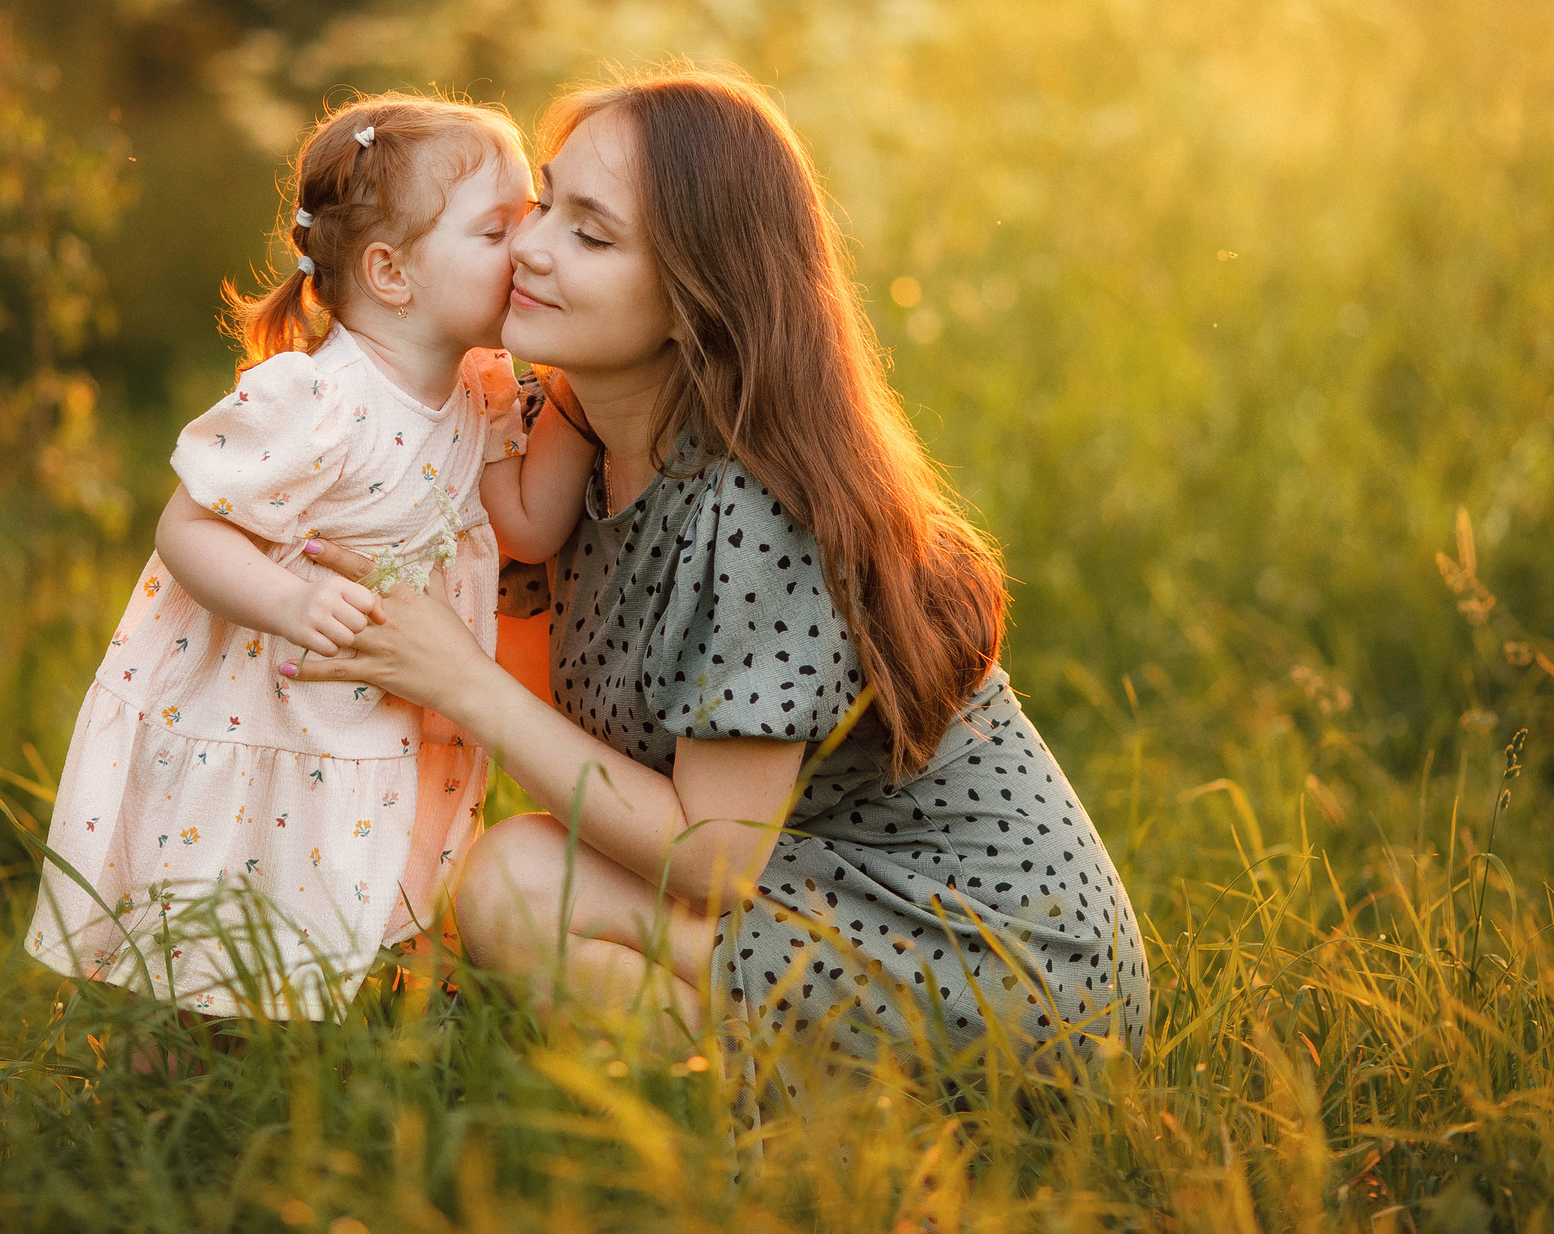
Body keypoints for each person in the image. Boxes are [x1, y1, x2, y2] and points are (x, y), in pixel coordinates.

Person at [290, 71, 1148, 1084]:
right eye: (545, 202)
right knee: (519, 875)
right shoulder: (570, 445)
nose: (528, 245)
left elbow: (708, 860)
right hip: (822, 892)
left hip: (995, 961)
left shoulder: (751, 513)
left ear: (699, 293)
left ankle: (805, 1149)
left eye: (591, 236)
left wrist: (455, 680)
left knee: (522, 883)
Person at [24, 94, 595, 1018]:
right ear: (391, 271)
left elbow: (528, 523)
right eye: (499, 227)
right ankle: (165, 1082)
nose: (529, 247)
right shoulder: (321, 397)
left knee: (351, 906)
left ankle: (323, 1070)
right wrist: (287, 602)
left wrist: (581, 377)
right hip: (278, 702)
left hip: (381, 707)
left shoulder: (479, 387)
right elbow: (190, 527)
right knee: (225, 927)